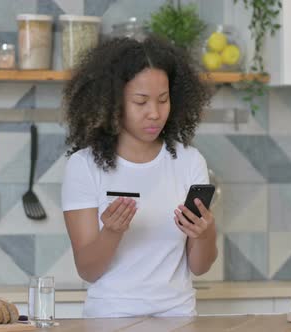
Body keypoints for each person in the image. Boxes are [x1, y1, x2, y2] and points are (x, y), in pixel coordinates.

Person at [61, 36, 216, 318]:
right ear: (113, 102)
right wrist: (112, 232)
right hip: (110, 320)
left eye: (163, 100)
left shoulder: (189, 161)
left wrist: (205, 233)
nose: (154, 113)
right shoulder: (83, 166)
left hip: (178, 320)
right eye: (140, 101)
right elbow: (88, 270)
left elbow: (200, 267)